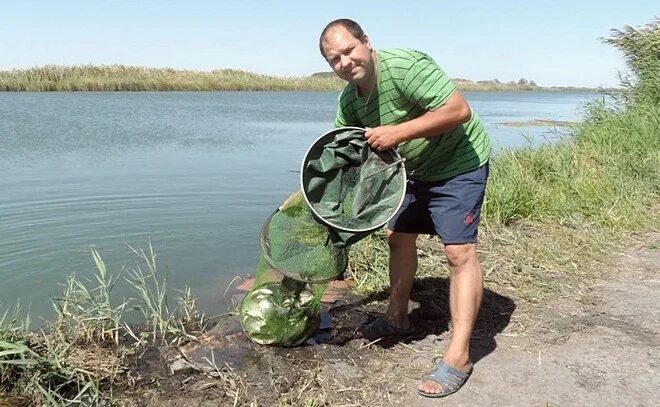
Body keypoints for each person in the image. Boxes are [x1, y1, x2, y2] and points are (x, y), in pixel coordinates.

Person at [319, 18, 491, 398]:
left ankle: (459, 356)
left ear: (366, 42)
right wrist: (304, 197)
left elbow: (458, 110)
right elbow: (342, 153)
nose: (345, 62)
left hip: (459, 162)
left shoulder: (405, 67)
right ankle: (396, 317)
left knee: (459, 252)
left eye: (349, 50)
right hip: (412, 170)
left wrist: (397, 132)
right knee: (398, 236)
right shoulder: (349, 100)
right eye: (335, 59)